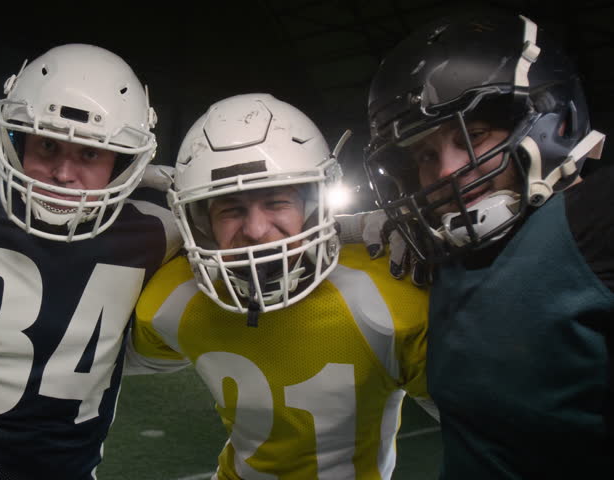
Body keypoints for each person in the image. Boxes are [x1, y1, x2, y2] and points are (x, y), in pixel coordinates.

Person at [0, 43, 180, 479]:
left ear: (125, 161)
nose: (64, 173)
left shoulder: (160, 228)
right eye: (47, 145)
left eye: (89, 153)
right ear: (17, 137)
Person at [126, 93, 435, 479]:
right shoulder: (174, 298)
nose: (256, 231)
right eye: (232, 209)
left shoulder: (390, 296)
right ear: (200, 223)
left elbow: (496, 432)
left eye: (276, 202)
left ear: (313, 206)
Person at [364, 10, 613, 478]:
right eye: (425, 155)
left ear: (550, 122)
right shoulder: (440, 243)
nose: (445, 173)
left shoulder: (595, 217)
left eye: (473, 137)